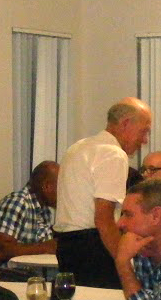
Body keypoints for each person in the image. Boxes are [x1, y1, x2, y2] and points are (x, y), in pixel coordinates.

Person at [54, 97, 152, 288]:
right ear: (125, 124)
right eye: (143, 132)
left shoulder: (77, 148)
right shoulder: (113, 154)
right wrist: (123, 263)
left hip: (66, 246)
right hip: (94, 248)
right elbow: (104, 219)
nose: (145, 140)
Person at [0, 160, 58, 262]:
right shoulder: (18, 202)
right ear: (47, 186)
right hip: (8, 275)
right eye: (62, 187)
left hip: (33, 275)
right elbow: (0, 250)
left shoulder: (45, 211)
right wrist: (44, 247)